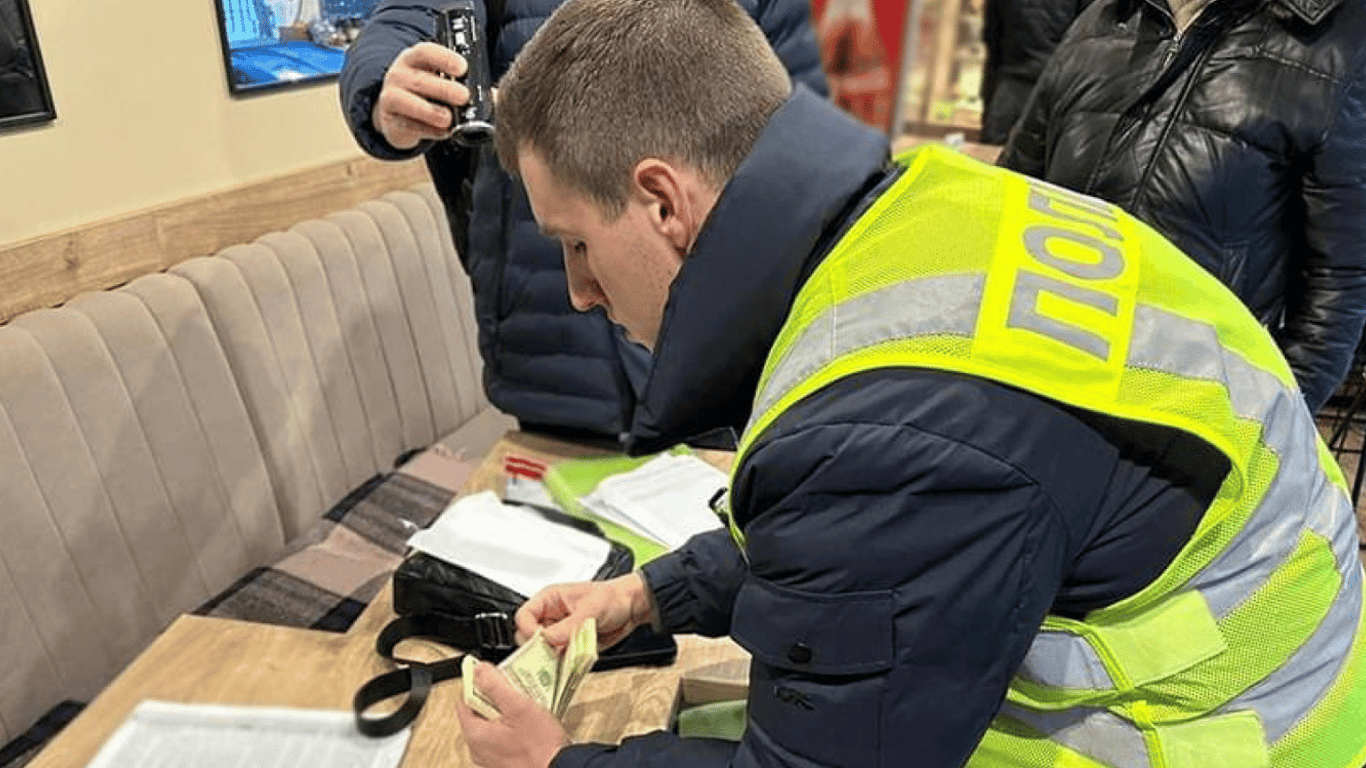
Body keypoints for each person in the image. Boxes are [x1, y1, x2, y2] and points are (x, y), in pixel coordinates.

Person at [447, 1, 1366, 766]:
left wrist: (554, 764)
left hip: (1214, 737)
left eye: (576, 242)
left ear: (662, 203)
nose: (578, 291)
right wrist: (653, 596)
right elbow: (869, 536)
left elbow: (873, 511)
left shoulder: (885, 431)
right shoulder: (926, 208)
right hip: (1255, 670)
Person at [337, 0, 827, 445]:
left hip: (718, 354)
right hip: (553, 352)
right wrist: (388, 86)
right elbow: (408, 18)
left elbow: (801, 137)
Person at [997, 0, 1366, 415]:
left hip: (1185, 410)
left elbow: (1340, 281)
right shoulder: (1104, 19)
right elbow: (1011, 196)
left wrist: (1262, 422)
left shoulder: (1342, 40)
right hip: (1037, 379)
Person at [978, 0, 1096, 144]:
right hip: (1056, 85)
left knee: (994, 150)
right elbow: (1088, 39)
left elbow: (992, 38)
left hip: (1011, 88)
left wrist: (988, 101)